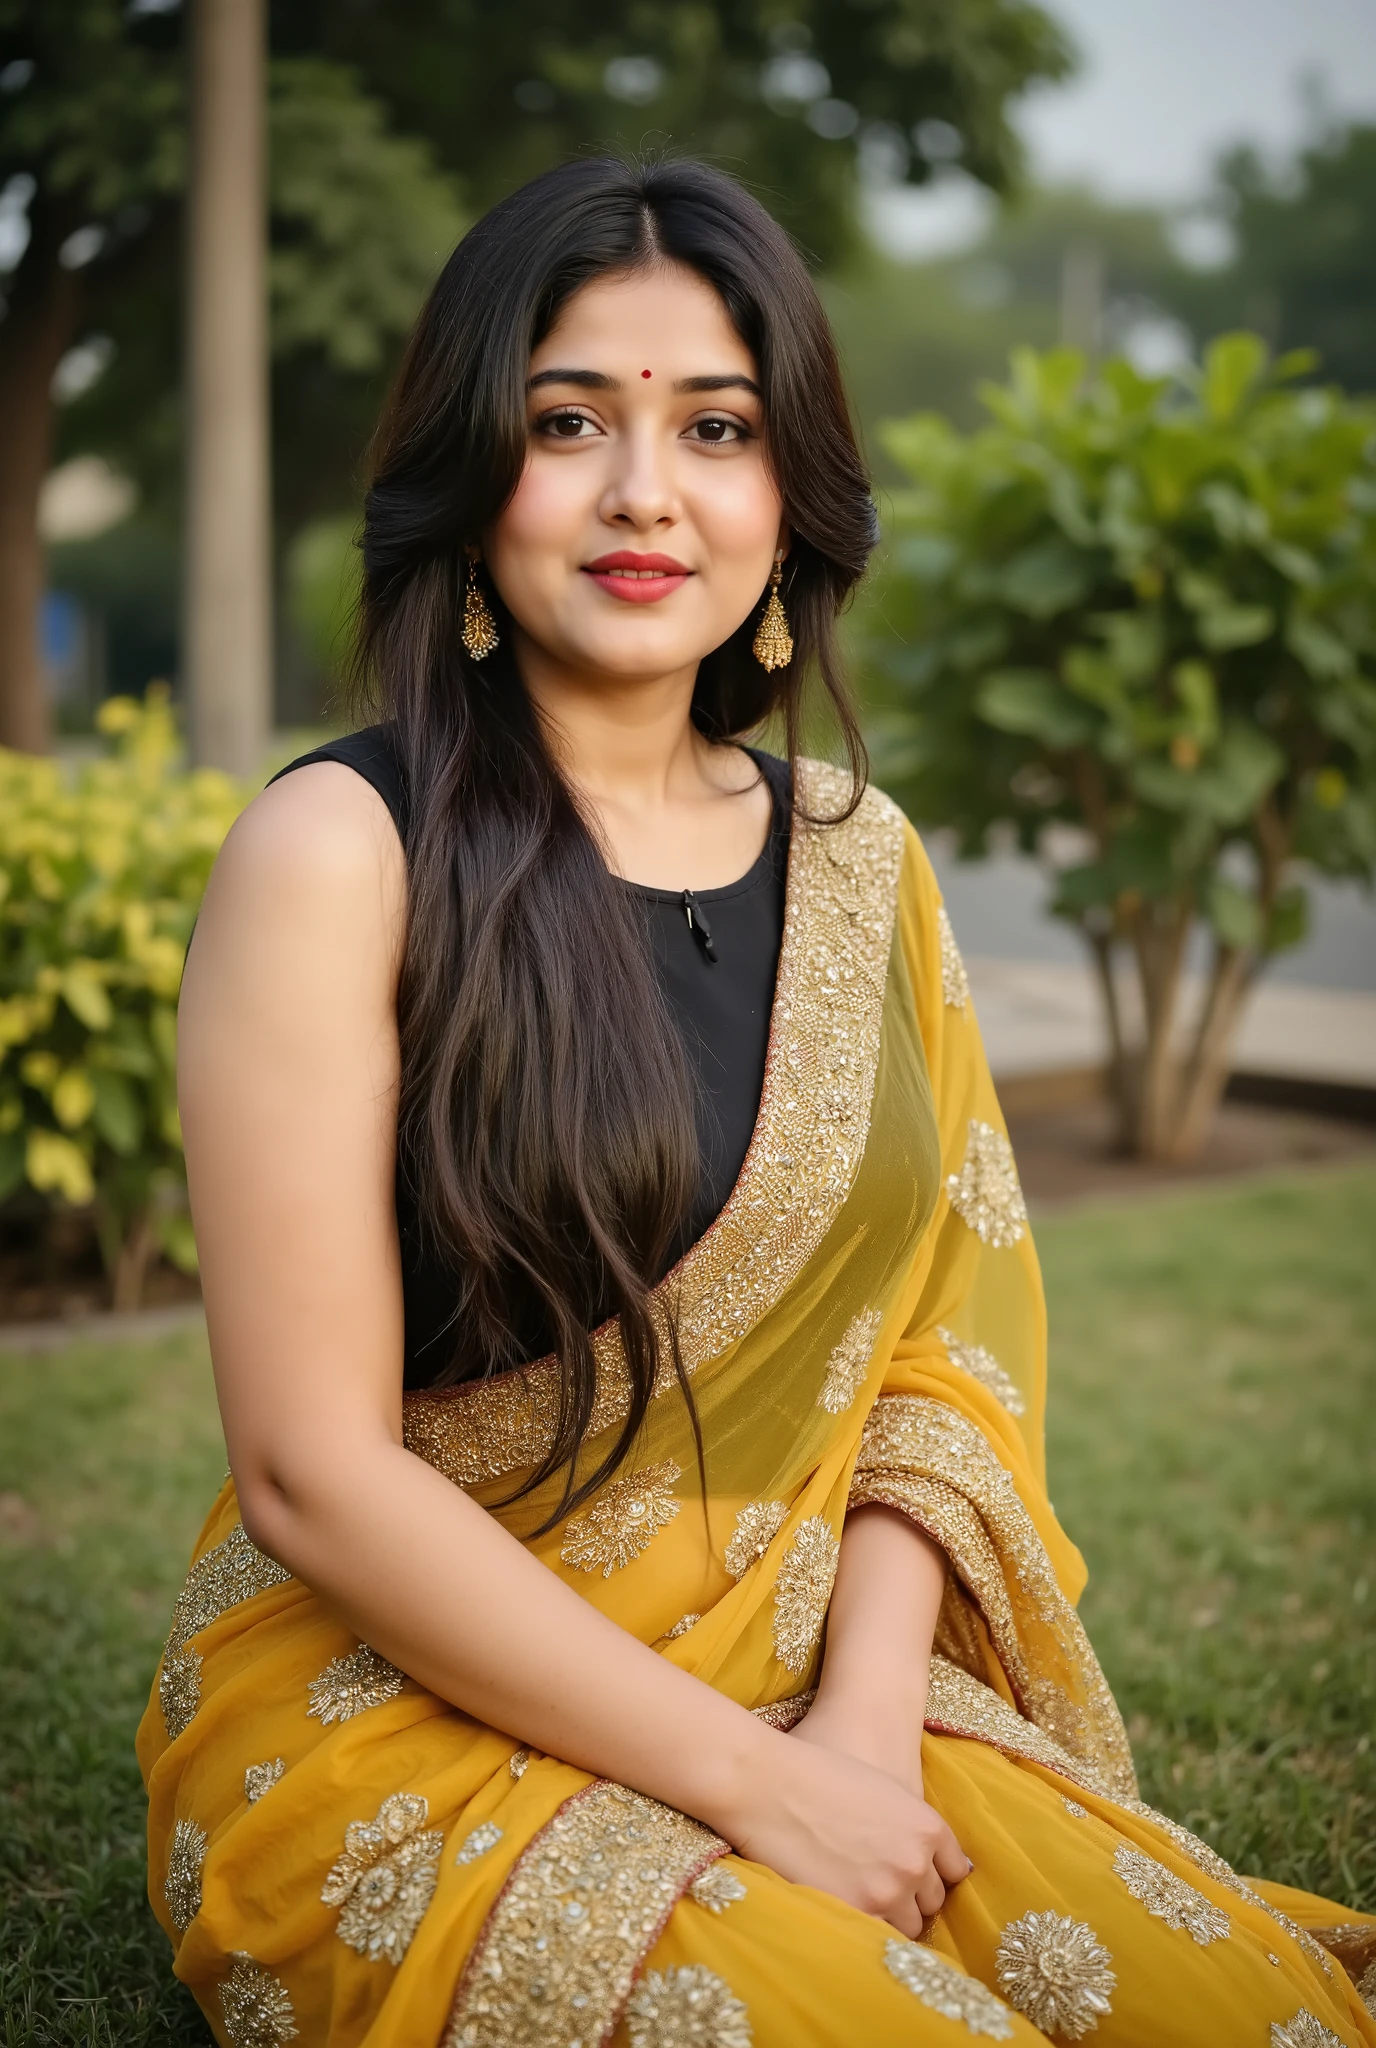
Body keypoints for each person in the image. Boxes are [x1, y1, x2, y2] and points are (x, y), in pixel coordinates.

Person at [139, 156, 1376, 2048]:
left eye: (715, 427)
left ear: (788, 494)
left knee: (1217, 2009)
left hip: (805, 1681)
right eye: (571, 421)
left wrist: (859, 1736)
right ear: (471, 475)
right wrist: (756, 1787)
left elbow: (935, 1358)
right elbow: (314, 1469)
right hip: (394, 1715)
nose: (646, 490)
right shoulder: (339, 854)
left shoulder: (863, 861)